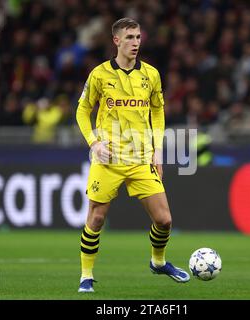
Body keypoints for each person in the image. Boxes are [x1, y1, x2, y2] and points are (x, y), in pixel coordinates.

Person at [75, 17, 190, 293]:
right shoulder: (100, 75)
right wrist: (93, 143)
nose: (135, 43)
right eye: (129, 38)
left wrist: (157, 149)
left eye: (138, 37)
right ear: (116, 41)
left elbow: (158, 111)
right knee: (97, 218)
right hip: (108, 158)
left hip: (141, 157)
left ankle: (158, 261)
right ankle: (86, 276)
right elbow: (82, 111)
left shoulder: (151, 74)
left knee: (164, 220)